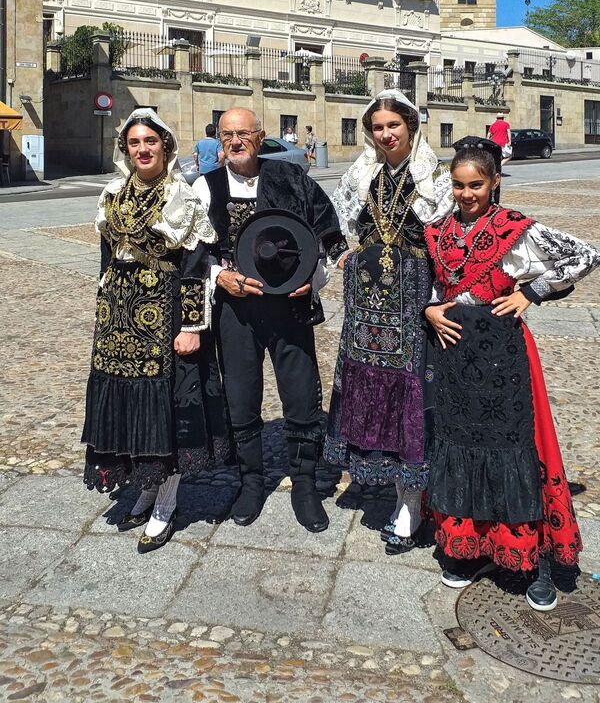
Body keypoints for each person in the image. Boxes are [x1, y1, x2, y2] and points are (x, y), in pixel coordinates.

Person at [423, 146, 599, 610]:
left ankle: (532, 559)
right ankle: (471, 547)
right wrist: (430, 308)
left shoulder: (513, 227)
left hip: (504, 353)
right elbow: (432, 283)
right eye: (458, 185)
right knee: (462, 442)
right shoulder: (438, 229)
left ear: (494, 182)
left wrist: (531, 293)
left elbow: (584, 254)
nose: (466, 194)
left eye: (475, 185)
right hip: (455, 353)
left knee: (517, 447)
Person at [81, 108, 231, 553]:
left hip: (165, 314)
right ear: (125, 149)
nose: (143, 149)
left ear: (165, 146)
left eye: (150, 141)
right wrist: (104, 310)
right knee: (131, 409)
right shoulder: (114, 194)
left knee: (166, 410)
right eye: (135, 143)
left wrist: (192, 325)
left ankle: (166, 503)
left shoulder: (181, 197)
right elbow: (107, 257)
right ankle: (146, 487)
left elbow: (197, 265)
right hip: (119, 319)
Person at [192, 107, 348, 533]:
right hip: (235, 310)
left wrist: (311, 279)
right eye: (227, 135)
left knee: (301, 395)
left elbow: (327, 233)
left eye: (244, 134)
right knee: (241, 396)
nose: (235, 142)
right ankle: (250, 482)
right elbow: (192, 250)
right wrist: (220, 276)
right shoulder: (205, 187)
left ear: (260, 138)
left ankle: (304, 485)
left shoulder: (291, 178)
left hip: (288, 306)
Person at [324, 89, 454, 555]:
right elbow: (335, 220)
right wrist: (342, 253)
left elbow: (448, 246)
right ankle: (389, 484)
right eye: (377, 127)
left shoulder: (435, 178)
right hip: (366, 305)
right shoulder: (364, 174)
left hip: (412, 304)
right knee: (371, 386)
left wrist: (437, 301)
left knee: (409, 394)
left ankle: (410, 504)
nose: (385, 134)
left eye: (393, 125)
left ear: (411, 127)